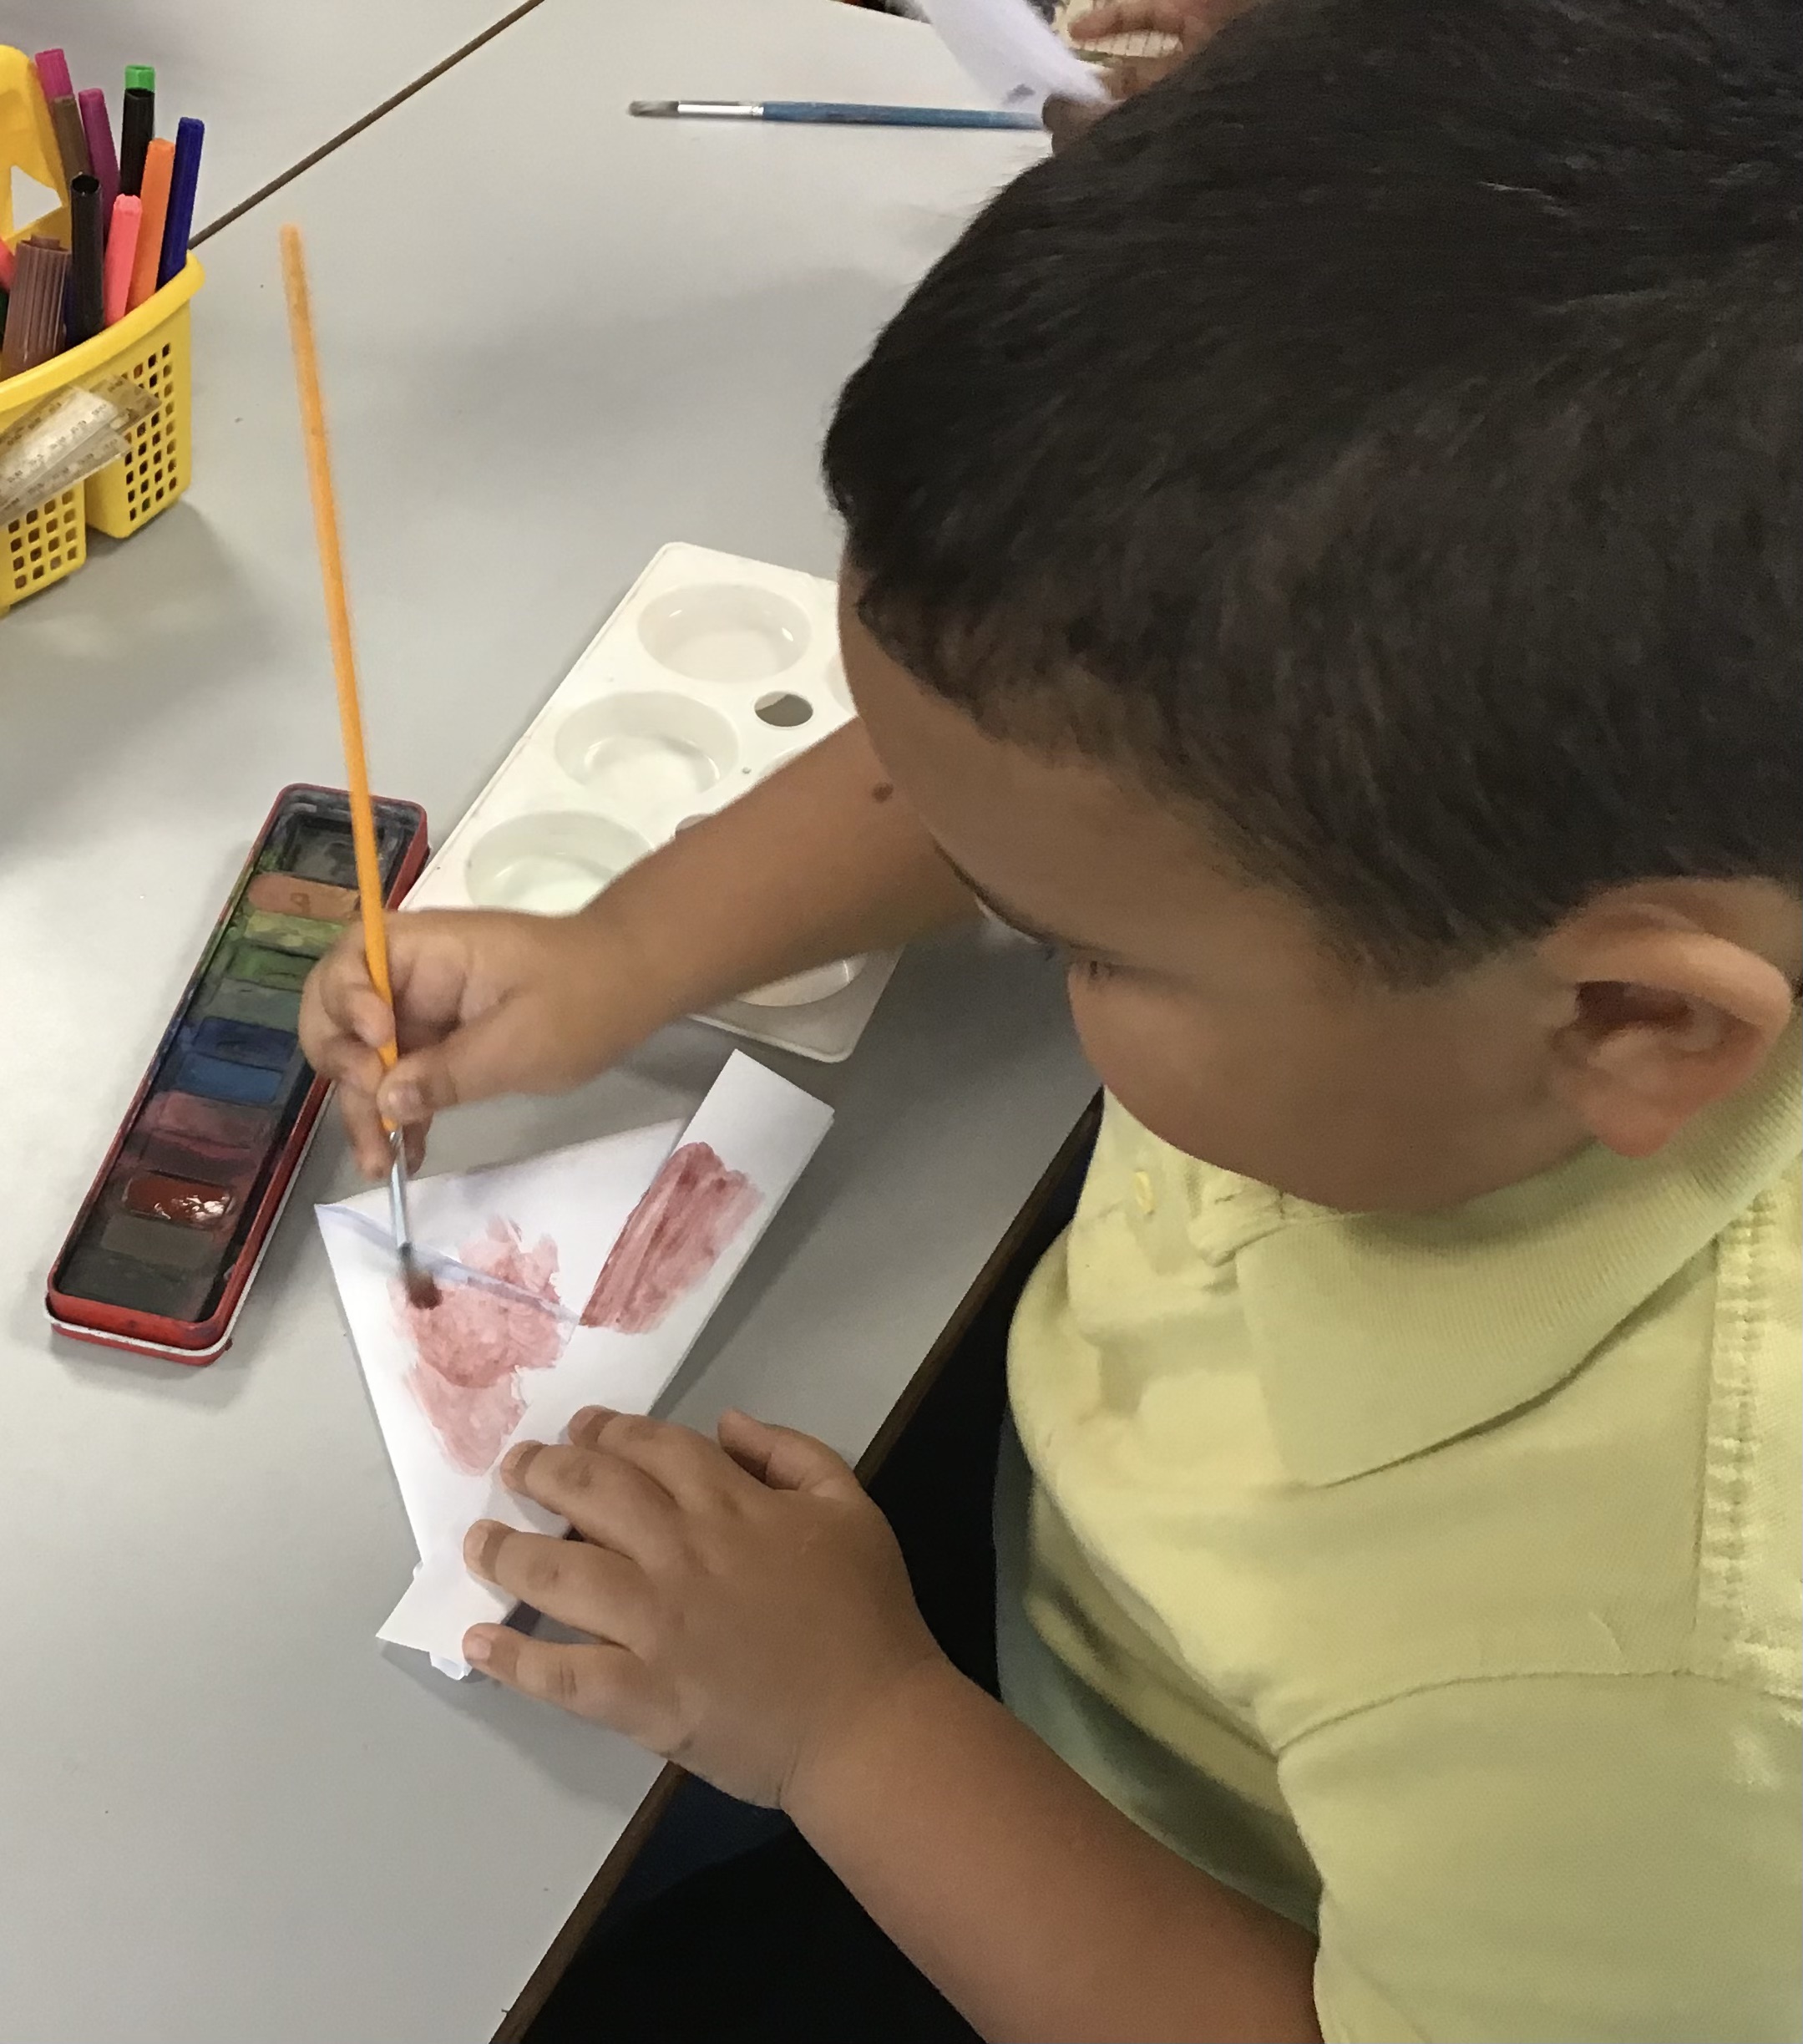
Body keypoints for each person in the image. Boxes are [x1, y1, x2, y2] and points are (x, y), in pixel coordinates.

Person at [301, 0, 1801, 2034]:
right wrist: (625, 949)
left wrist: (853, 1727)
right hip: (1070, 1554)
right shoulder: (1479, 911)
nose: (995, 905)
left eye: (1069, 940)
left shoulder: (1654, 1676)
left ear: (1630, 1023)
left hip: (1146, 1881)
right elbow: (1038, 773)